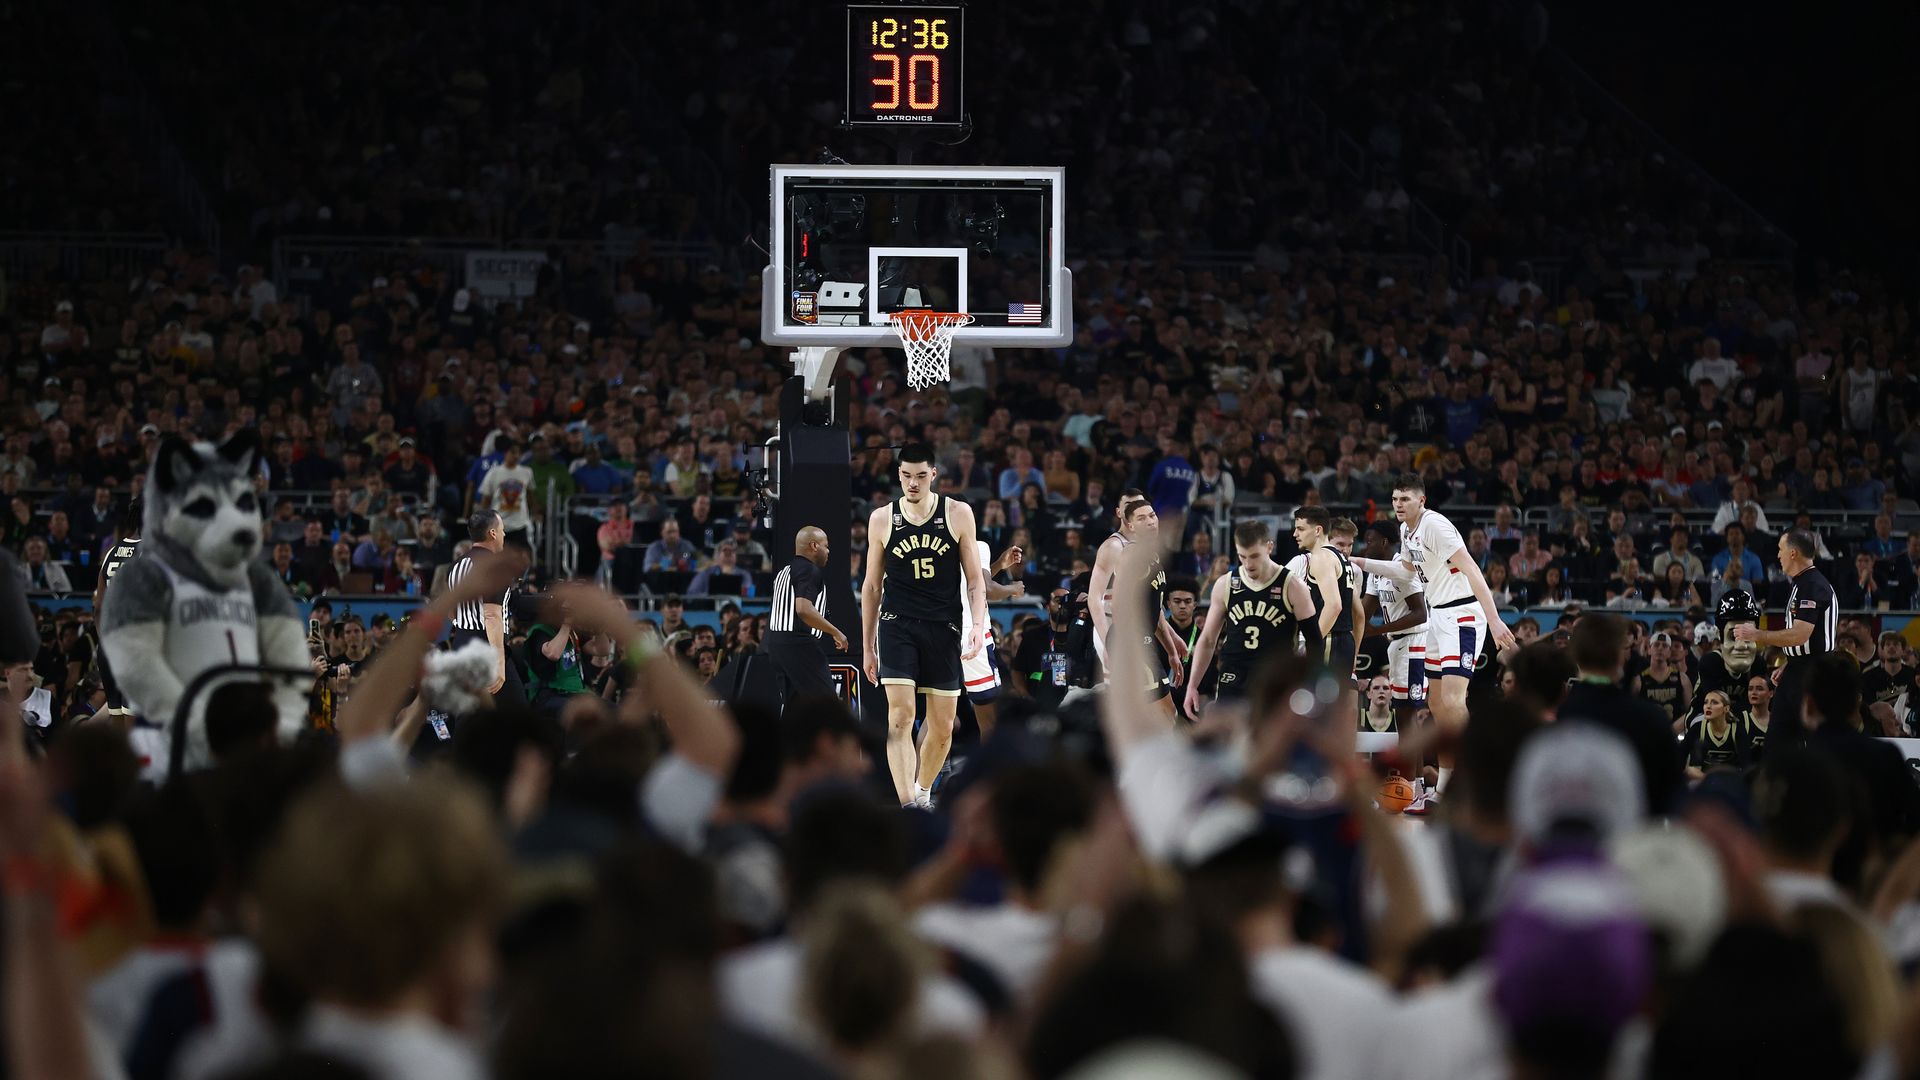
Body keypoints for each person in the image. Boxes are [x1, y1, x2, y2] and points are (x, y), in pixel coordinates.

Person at [1350, 474, 1515, 788]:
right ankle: (1445, 785)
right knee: (1437, 703)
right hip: (1438, 616)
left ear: (1421, 500)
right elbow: (1405, 570)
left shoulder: (1434, 525)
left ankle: (1473, 776)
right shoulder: (1405, 530)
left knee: (1453, 700)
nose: (1399, 505)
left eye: (1406, 499)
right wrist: (1362, 561)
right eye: (1396, 499)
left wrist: (1493, 619)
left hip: (1462, 611)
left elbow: (1471, 567)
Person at [860, 445, 987, 809]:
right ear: (898, 475)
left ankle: (923, 791)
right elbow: (871, 586)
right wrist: (868, 645)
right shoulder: (882, 518)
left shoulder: (958, 513)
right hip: (897, 624)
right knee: (900, 717)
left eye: (919, 475)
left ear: (933, 474)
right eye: (905, 476)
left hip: (944, 625)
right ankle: (907, 806)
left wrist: (977, 625)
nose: (912, 483)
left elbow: (975, 580)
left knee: (943, 727)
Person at [1558, 613, 1686, 814]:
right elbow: (1673, 798)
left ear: (1575, 656)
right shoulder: (1650, 720)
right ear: (1619, 656)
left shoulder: (1553, 719)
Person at [1185, 520, 1310, 716]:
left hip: (1276, 679)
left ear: (1270, 546)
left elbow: (1315, 642)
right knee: (1230, 744)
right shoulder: (1225, 583)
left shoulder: (1292, 585)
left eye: (1254, 556)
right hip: (1234, 678)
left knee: (1271, 744)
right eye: (1242, 556)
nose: (1248, 564)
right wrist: (1193, 685)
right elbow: (1208, 640)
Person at [1087, 493, 1186, 720]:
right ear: (1127, 521)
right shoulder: (1123, 550)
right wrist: (1115, 645)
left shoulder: (1149, 554)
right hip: (1126, 637)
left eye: (1152, 515)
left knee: (1152, 712)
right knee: (1159, 711)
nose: (1150, 521)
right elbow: (1109, 603)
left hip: (1142, 637)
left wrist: (1171, 647)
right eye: (1141, 518)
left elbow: (1153, 608)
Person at [1733, 530, 1835, 747]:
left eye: (1781, 549)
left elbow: (1801, 634)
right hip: (1797, 671)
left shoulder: (1812, 585)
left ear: (1793, 553)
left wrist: (1757, 634)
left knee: (1817, 741)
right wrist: (1790, 662)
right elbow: (1808, 638)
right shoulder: (1801, 583)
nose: (1778, 555)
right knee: (1776, 742)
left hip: (1814, 675)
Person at [446, 509, 524, 714]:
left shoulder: (456, 565)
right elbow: (491, 615)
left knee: (468, 715)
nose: (504, 535)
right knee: (517, 713)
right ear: (492, 533)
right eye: (502, 530)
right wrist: (499, 662)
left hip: (461, 643)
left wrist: (463, 629)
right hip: (486, 648)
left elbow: (450, 610)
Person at [764, 526, 847, 709]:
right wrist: (836, 632)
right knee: (828, 706)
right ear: (814, 546)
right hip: (798, 646)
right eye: (826, 546)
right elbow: (803, 609)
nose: (828, 551)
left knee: (794, 709)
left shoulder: (785, 571)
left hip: (776, 645)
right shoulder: (809, 570)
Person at [1360, 523, 1428, 727]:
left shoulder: (1402, 568)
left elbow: (1420, 614)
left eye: (1370, 541)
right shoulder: (1376, 572)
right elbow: (1364, 612)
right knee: (1401, 715)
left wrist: (1378, 630)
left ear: (1384, 542)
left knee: (1410, 714)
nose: (1366, 546)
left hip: (1414, 643)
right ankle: (1410, 759)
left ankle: (1418, 760)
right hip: (1396, 643)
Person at [960, 541, 1027, 738]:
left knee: (939, 719)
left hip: (940, 634)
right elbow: (986, 589)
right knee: (990, 720)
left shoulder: (939, 543)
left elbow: (970, 582)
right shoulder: (977, 545)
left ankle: (932, 769)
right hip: (971, 634)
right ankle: (992, 768)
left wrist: (998, 564)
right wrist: (1012, 589)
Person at [476, 439, 535, 553]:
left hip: (520, 524)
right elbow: (486, 500)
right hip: (499, 525)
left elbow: (530, 495)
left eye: (519, 453)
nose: (516, 456)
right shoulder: (494, 473)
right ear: (506, 453)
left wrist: (533, 513)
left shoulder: (527, 472)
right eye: (513, 452)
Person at [1637, 631, 1693, 733]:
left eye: (1665, 646)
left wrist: (1673, 730)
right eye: (1656, 645)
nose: (1660, 648)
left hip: (1675, 735)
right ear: (1649, 649)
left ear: (1669, 652)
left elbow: (1690, 712)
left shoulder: (1682, 679)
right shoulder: (1638, 680)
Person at [1685, 690, 1743, 780]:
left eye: (1714, 702)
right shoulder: (1697, 728)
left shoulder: (1737, 729)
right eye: (1706, 702)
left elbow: (1746, 764)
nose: (1708, 706)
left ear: (1726, 708)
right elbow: (1680, 758)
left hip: (1730, 780)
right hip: (1703, 780)